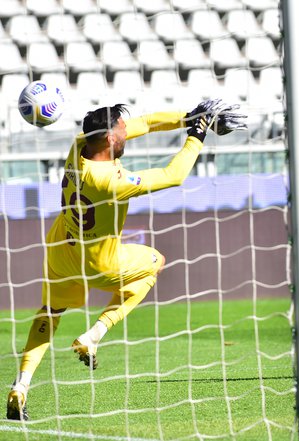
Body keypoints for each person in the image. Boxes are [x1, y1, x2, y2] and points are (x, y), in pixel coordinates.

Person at [6, 99, 247, 420]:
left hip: (62, 250)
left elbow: (144, 123)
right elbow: (173, 175)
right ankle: (94, 334)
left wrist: (189, 117)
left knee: (50, 312)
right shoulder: (111, 182)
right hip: (99, 262)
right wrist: (196, 136)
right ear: (110, 139)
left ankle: (21, 385)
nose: (127, 135)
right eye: (122, 131)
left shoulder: (79, 145)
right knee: (155, 262)